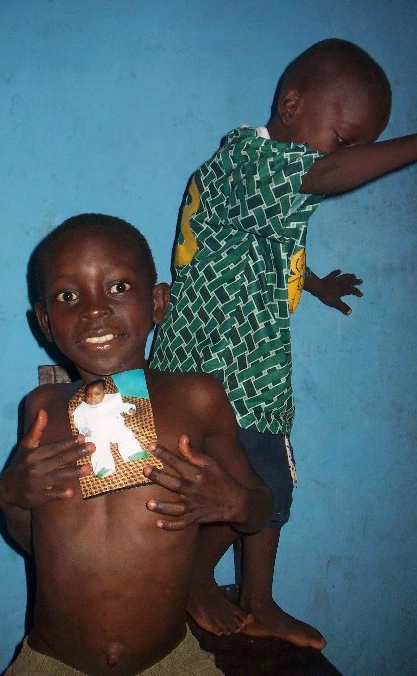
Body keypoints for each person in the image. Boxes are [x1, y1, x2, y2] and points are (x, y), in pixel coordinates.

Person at [150, 38, 417, 648]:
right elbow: (323, 175)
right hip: (217, 359)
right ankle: (194, 578)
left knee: (268, 485)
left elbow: (269, 246)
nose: (348, 158)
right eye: (344, 139)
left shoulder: (261, 183)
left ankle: (257, 600)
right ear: (292, 106)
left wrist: (315, 284)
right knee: (249, 483)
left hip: (249, 362)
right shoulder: (247, 159)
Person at [0, 213, 272, 675]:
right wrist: (9, 498)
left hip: (171, 661)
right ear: (45, 321)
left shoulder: (197, 397)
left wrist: (236, 502)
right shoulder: (42, 408)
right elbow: (35, 545)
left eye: (118, 287)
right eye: (68, 296)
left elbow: (262, 506)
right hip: (50, 662)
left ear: (157, 302)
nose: (94, 309)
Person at [73, 378, 147, 478]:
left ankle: (132, 452)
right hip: (96, 433)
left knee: (126, 435)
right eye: (89, 395)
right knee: (98, 448)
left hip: (114, 427)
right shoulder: (82, 408)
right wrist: (84, 429)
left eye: (97, 394)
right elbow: (79, 420)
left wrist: (129, 409)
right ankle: (103, 467)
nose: (92, 398)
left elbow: (122, 406)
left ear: (104, 391)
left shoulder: (112, 400)